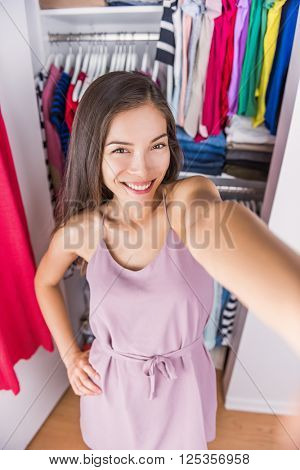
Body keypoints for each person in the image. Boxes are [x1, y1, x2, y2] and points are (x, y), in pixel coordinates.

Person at [34, 71, 300, 450]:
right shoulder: (84, 231)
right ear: (94, 153)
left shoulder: (188, 198)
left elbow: (214, 221)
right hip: (112, 391)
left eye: (156, 145)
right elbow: (43, 281)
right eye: (121, 150)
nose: (142, 169)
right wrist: (70, 355)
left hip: (184, 387)